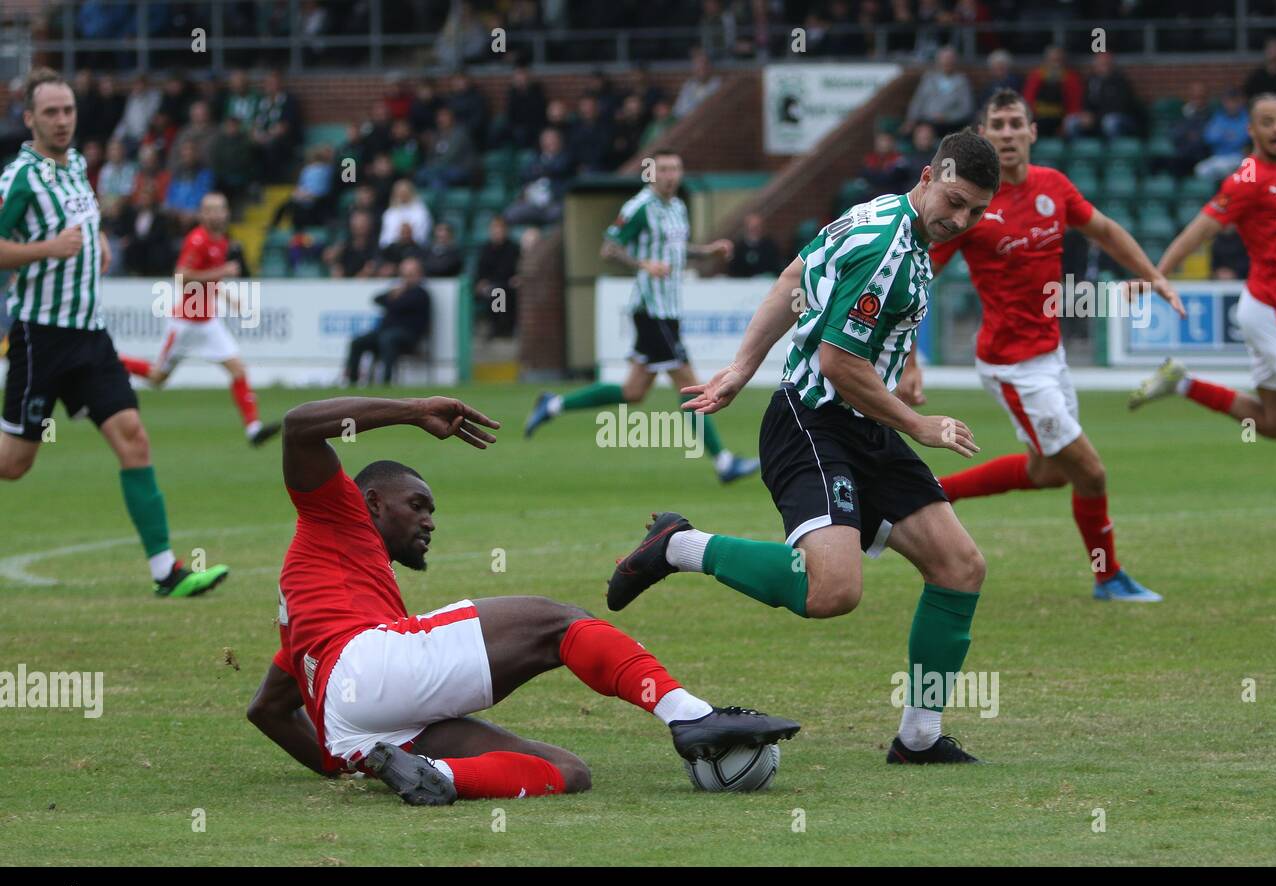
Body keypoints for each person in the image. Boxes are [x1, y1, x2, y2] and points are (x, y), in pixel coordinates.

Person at [603, 129, 1001, 765]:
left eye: (975, 211)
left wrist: (738, 367)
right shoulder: (884, 247)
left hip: (862, 423)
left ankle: (919, 737)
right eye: (953, 201)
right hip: (812, 420)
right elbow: (839, 363)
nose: (960, 220)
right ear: (927, 176)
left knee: (960, 568)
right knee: (832, 592)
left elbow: (795, 276)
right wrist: (919, 425)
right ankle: (680, 546)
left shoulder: (882, 214)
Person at [246, 394, 800, 804]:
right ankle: (691, 716)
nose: (429, 521)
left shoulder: (317, 597)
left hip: (358, 723)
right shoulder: (333, 514)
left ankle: (437, 778)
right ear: (369, 501)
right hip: (364, 670)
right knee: (557, 624)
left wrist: (344, 763)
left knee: (565, 772)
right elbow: (298, 428)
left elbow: (268, 708)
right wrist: (413, 411)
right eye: (416, 505)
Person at [916, 90, 1182, 602]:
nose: (1010, 132)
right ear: (984, 136)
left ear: (1033, 132)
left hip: (1050, 355)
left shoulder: (1053, 187)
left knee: (1049, 473)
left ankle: (931, 492)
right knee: (1090, 470)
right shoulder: (971, 207)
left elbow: (1103, 229)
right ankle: (1109, 577)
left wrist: (1155, 276)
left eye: (1018, 123)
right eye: (999, 124)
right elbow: (919, 277)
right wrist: (910, 360)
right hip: (1012, 366)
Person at [0, 68, 228, 597]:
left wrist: (97, 237)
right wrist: (44, 250)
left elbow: (83, 215)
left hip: (91, 336)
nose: (62, 121)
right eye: (51, 113)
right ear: (29, 118)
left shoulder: (78, 164)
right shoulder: (20, 179)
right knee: (14, 464)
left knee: (134, 438)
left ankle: (166, 571)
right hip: (41, 338)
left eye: (69, 111)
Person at [525, 149, 761, 485]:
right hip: (652, 310)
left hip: (669, 310)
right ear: (651, 173)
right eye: (663, 169)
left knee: (633, 391)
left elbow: (676, 249)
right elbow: (609, 247)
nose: (670, 175)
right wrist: (643, 265)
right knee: (691, 385)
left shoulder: (677, 207)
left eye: (675, 169)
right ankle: (723, 461)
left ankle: (553, 405)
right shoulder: (639, 207)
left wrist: (706, 251)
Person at [1131, 94, 1276, 442]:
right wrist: (1158, 274)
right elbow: (1202, 228)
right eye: (1267, 122)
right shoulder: (1248, 177)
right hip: (1272, 308)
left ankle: (1183, 383)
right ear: (1251, 130)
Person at [118, 192, 280, 447]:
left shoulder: (221, 241)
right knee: (158, 377)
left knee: (238, 370)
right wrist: (223, 271)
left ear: (226, 213)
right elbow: (181, 277)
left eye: (220, 209)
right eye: (210, 210)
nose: (216, 214)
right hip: (185, 324)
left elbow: (209, 281)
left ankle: (253, 429)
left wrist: (228, 297)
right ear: (202, 215)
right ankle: (112, 360)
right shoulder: (197, 240)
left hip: (208, 322)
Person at [346, 257, 431, 385]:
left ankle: (386, 381)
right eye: (404, 274)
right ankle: (352, 381)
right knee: (357, 341)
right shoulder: (396, 292)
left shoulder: (421, 293)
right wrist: (393, 295)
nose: (407, 278)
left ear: (419, 275)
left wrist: (394, 297)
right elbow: (377, 299)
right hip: (386, 333)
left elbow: (399, 305)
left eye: (411, 274)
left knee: (387, 339)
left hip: (408, 335)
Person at [902, 46, 974, 138]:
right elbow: (918, 101)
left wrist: (947, 116)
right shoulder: (928, 78)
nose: (947, 62)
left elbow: (967, 108)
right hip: (927, 121)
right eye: (944, 59)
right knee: (922, 133)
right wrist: (911, 120)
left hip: (953, 124)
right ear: (938, 61)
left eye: (950, 59)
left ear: (955, 61)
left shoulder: (962, 81)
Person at [728, 213, 783, 278]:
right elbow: (733, 268)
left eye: (757, 227)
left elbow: (776, 265)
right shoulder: (738, 247)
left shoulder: (770, 245)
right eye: (751, 227)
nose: (754, 230)